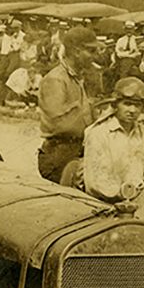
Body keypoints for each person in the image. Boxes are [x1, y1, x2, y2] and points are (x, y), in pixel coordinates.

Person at [37, 26, 98, 184]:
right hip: (58, 157)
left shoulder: (77, 78)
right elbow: (59, 125)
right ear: (77, 52)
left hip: (75, 152)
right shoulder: (56, 80)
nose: (94, 56)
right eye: (91, 51)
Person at [83, 77, 144, 202]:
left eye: (137, 105)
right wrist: (123, 193)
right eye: (127, 104)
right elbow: (95, 182)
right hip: (104, 204)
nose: (132, 110)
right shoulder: (99, 134)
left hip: (140, 202)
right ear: (115, 105)